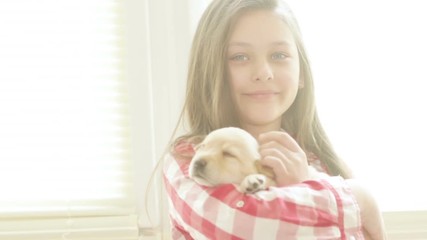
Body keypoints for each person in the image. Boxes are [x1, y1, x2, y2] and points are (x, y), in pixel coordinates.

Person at [162, 0, 386, 239]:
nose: (263, 73)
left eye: (279, 55)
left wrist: (309, 181)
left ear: (302, 75)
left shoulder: (323, 163)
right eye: (239, 57)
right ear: (210, 72)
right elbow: (245, 221)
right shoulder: (189, 158)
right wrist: (361, 198)